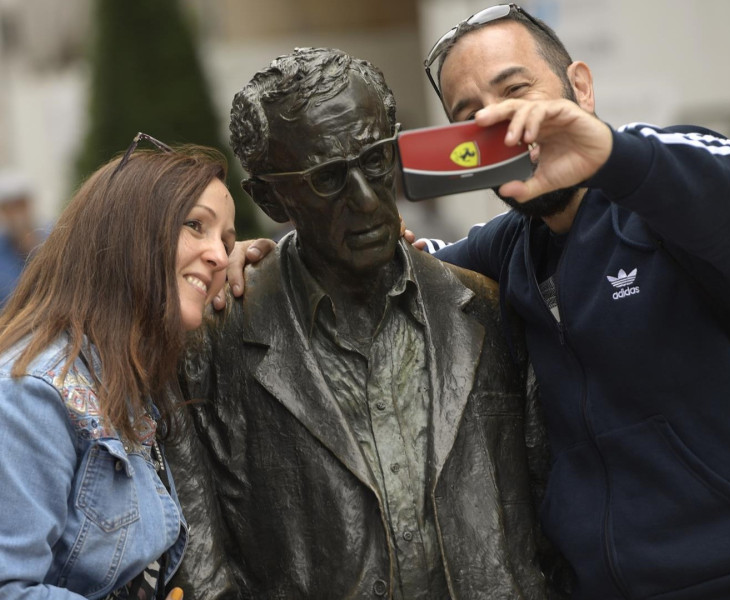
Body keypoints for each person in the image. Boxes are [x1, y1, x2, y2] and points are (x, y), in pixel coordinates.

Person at [412, 4, 730, 600]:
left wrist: (611, 154)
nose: (499, 121)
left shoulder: (665, 189)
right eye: (471, 117)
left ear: (581, 87)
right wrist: (259, 260)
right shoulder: (511, 246)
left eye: (516, 90)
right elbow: (413, 261)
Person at [167, 47, 560, 600]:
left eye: (377, 159)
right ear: (270, 197)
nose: (368, 198)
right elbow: (201, 568)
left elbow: (556, 517)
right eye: (328, 177)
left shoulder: (488, 309)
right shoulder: (213, 341)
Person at [0, 134, 236, 599]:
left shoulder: (126, 371)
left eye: (227, 241)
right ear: (130, 234)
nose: (220, 255)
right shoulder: (32, 393)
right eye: (196, 225)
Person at [0, 169, 46, 306]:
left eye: (20, 205)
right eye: (10, 207)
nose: (17, 214)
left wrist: (32, 247)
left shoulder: (54, 236)